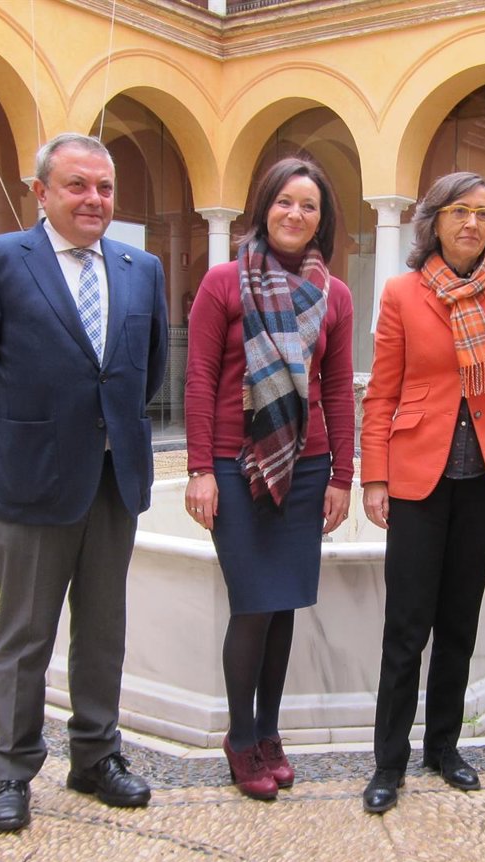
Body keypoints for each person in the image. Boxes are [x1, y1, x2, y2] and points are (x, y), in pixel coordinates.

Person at [0, 133, 168, 832]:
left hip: (112, 480)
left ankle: (96, 756)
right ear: (40, 193)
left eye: (103, 187)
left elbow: (148, 371)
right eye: (77, 186)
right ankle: (12, 768)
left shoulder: (142, 269)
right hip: (31, 485)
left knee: (104, 631)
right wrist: (16, 444)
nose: (93, 199)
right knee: (25, 635)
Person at [359, 172, 485, 814]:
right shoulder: (403, 293)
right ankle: (389, 762)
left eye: (484, 213)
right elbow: (383, 392)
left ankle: (443, 747)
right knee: (406, 625)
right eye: (459, 211)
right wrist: (375, 475)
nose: (472, 223)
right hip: (418, 474)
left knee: (460, 621)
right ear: (435, 221)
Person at [184, 156, 354, 801]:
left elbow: (337, 389)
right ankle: (241, 735)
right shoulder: (224, 283)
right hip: (238, 465)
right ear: (265, 207)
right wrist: (201, 467)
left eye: (308, 206)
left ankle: (271, 733)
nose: (295, 214)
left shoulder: (333, 294)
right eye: (285, 202)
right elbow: (199, 379)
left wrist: (343, 474)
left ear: (321, 220)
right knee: (253, 605)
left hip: (306, 469)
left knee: (283, 608)